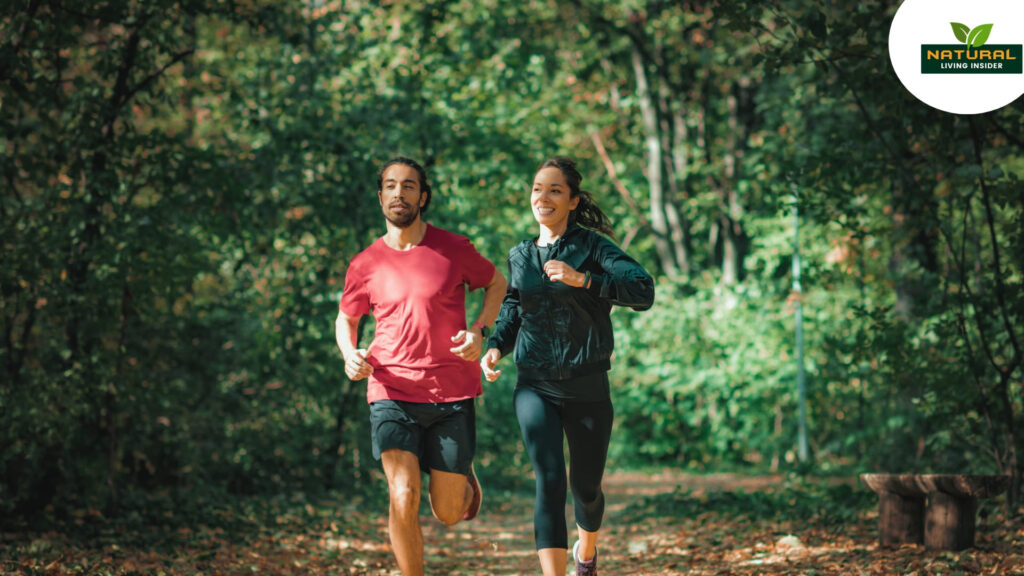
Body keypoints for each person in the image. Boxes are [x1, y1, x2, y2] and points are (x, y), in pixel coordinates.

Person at [481, 157, 654, 576]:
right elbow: (513, 306)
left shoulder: (593, 247)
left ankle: (587, 552)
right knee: (550, 479)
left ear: (573, 201)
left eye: (555, 190)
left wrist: (586, 280)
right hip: (534, 384)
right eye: (538, 188)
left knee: (586, 488)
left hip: (588, 386)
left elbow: (643, 289)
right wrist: (496, 346)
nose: (543, 197)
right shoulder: (520, 255)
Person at [336, 156, 507, 576]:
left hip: (452, 391)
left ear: (423, 196)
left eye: (409, 185)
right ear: (380, 198)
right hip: (390, 390)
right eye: (391, 186)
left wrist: (479, 330)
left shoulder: (453, 248)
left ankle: (462, 478)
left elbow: (497, 283)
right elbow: (347, 318)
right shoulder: (365, 263)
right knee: (402, 493)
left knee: (448, 513)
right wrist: (349, 354)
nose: (399, 193)